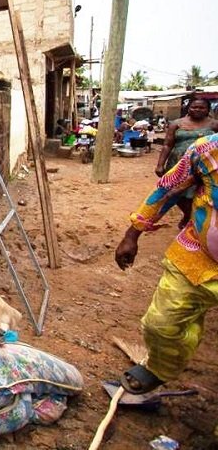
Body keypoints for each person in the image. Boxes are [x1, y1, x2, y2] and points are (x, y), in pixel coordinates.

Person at [115, 132, 218, 396]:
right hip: (196, 257)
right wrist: (132, 233)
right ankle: (160, 369)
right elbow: (168, 188)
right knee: (160, 325)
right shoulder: (207, 150)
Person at [154, 97, 218, 227]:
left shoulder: (214, 124)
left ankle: (194, 219)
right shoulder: (176, 124)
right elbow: (167, 145)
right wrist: (160, 164)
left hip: (204, 165)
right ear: (188, 108)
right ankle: (188, 215)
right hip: (178, 164)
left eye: (201, 107)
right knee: (177, 192)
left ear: (207, 110)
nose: (197, 110)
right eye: (194, 107)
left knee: (199, 192)